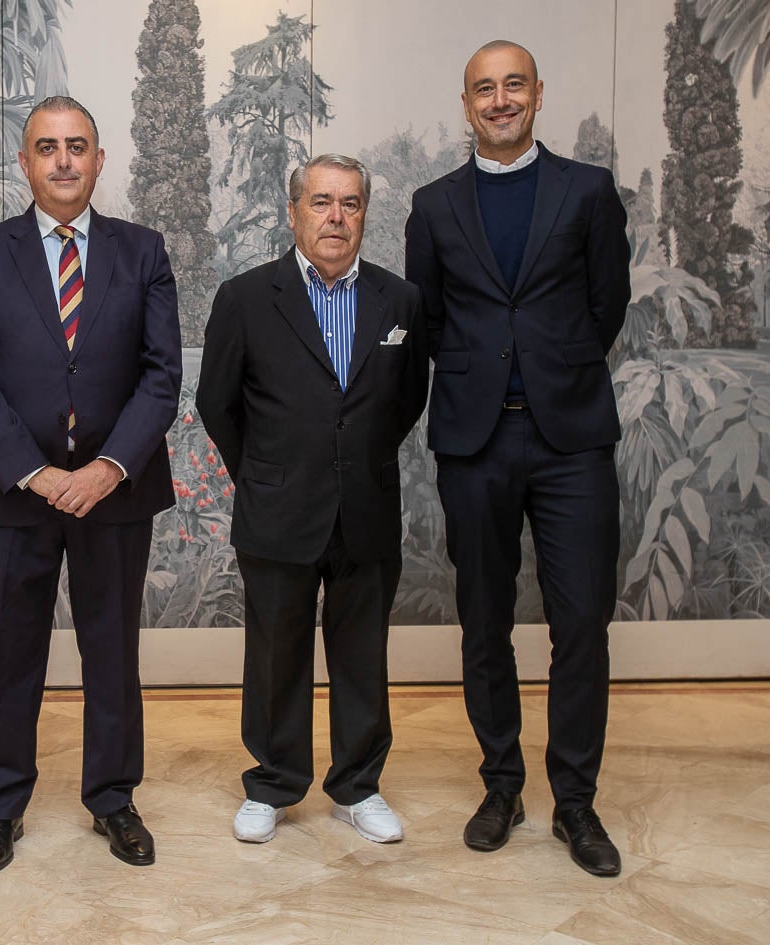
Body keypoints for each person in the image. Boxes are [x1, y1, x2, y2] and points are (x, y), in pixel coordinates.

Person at [404, 40, 631, 876]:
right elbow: (427, 321)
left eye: (513, 85)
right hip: (474, 441)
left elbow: (608, 301)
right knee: (484, 622)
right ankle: (500, 783)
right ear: (465, 106)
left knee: (580, 625)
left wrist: (553, 372)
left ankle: (575, 801)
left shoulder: (587, 190)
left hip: (570, 438)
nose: (499, 100)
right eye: (482, 90)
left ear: (536, 95)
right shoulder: (431, 205)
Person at [0, 96, 181, 874]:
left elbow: (161, 374)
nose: (64, 160)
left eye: (78, 145)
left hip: (116, 491)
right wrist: (38, 472)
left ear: (100, 160)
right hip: (14, 493)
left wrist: (108, 468)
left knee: (112, 652)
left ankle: (112, 798)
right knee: (9, 657)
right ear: (24, 162)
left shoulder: (143, 251)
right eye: (47, 147)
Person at [197, 154, 429, 846]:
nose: (335, 216)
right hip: (276, 507)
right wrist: (267, 471)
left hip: (365, 507)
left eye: (350, 204)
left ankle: (357, 785)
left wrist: (350, 462)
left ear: (363, 215)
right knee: (275, 653)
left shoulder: (399, 302)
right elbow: (217, 402)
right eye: (321, 202)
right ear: (293, 211)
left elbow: (405, 399)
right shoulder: (244, 298)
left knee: (362, 654)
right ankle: (272, 783)